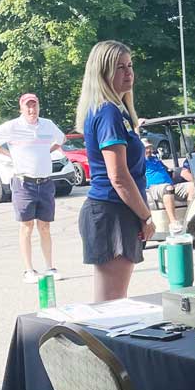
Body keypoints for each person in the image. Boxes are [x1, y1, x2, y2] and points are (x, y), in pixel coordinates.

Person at [75, 40, 153, 302]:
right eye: (119, 67)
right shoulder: (107, 112)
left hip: (115, 211)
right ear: (103, 73)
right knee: (111, 304)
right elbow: (118, 176)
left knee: (113, 302)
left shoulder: (116, 111)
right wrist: (146, 216)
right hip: (112, 211)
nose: (128, 72)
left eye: (130, 65)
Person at [0, 93, 66, 283]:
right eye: (27, 106)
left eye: (34, 105)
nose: (31, 110)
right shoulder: (13, 126)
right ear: (21, 108)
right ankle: (29, 270)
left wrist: (48, 150)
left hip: (45, 182)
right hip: (23, 183)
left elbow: (62, 139)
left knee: (45, 227)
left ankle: (50, 267)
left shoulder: (47, 124)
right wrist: (6, 153)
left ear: (38, 107)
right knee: (26, 226)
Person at [143, 140, 195, 235]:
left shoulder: (156, 159)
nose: (149, 150)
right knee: (168, 188)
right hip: (153, 188)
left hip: (170, 185)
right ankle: (173, 223)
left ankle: (190, 219)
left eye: (150, 147)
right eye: (146, 148)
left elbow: (168, 170)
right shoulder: (140, 160)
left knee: (192, 186)